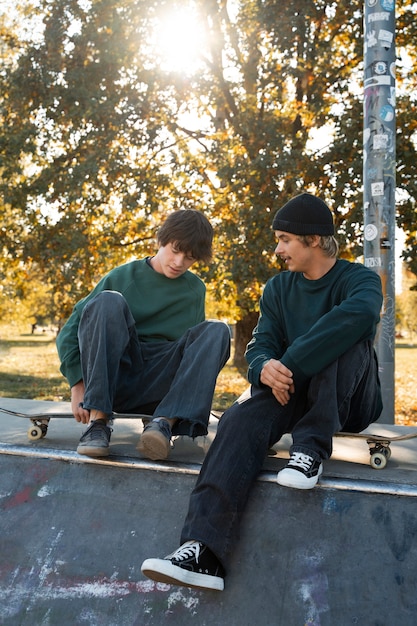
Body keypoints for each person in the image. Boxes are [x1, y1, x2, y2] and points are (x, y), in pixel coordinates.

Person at [141, 192, 383, 591]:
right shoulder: (277, 289)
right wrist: (264, 367)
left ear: (316, 240)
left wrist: (289, 363)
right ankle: (202, 551)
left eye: (286, 239)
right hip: (292, 393)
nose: (278, 249)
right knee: (237, 420)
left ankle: (309, 449)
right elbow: (260, 344)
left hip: (350, 398)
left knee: (346, 334)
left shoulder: (358, 280)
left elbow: (360, 316)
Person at [56, 209, 231, 460]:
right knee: (107, 302)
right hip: (116, 374)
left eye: (190, 258)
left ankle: (162, 425)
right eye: (175, 250)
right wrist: (77, 384)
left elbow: (192, 355)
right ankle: (98, 423)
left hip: (159, 381)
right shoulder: (123, 276)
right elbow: (71, 331)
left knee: (217, 330)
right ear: (161, 240)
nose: (179, 262)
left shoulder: (195, 290)